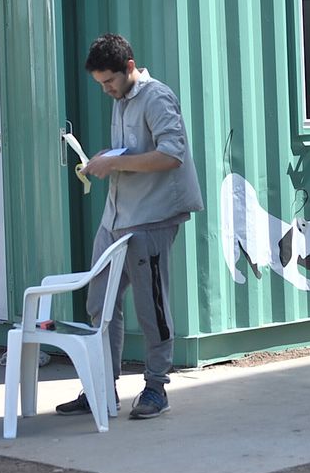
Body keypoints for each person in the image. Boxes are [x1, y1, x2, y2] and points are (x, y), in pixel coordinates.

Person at [56, 33, 203, 421]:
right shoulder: (121, 98)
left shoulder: (156, 97)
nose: (106, 90)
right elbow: (134, 152)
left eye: (109, 82)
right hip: (116, 217)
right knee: (98, 301)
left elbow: (172, 155)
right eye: (100, 83)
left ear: (130, 67)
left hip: (152, 217)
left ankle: (156, 388)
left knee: (149, 305)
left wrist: (115, 164)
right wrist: (105, 158)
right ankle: (101, 387)